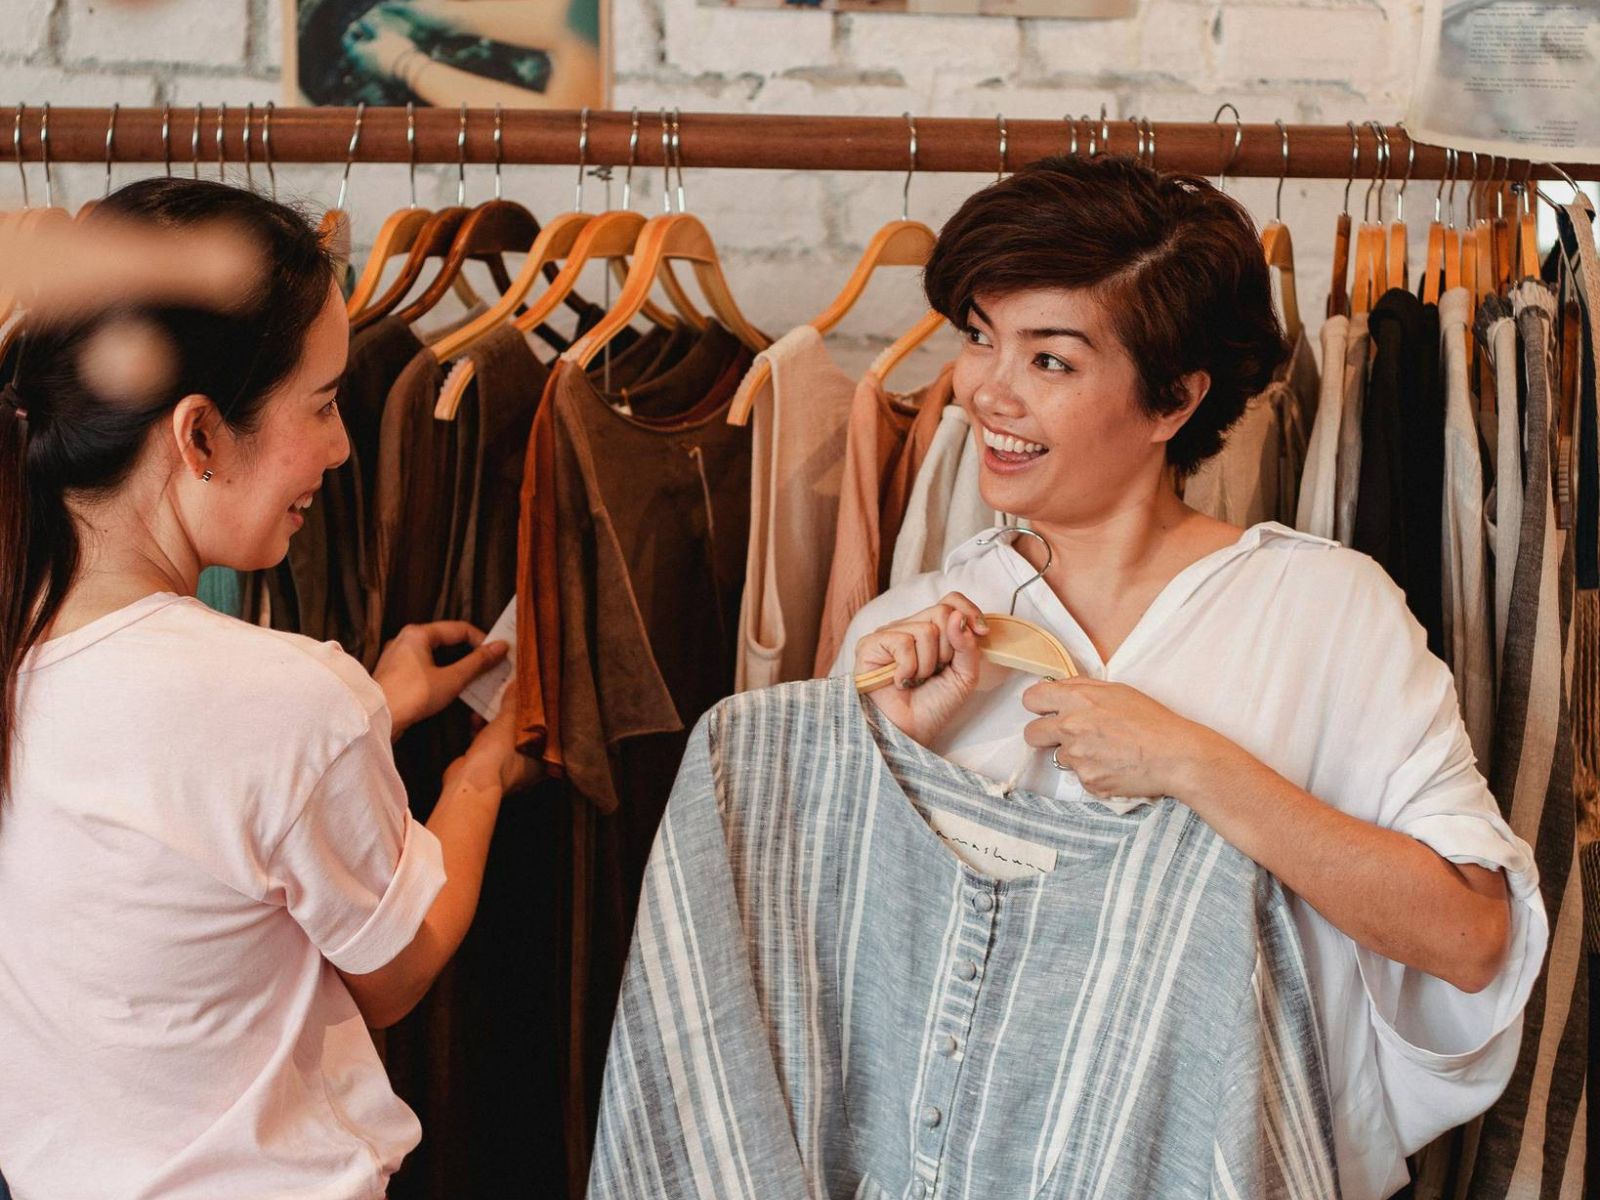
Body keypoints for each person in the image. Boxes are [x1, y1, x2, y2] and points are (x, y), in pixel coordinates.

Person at [836, 155, 1546, 1200]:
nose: (984, 388)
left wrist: (1193, 763)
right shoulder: (906, 632)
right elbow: (833, 984)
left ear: (1171, 400)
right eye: (982, 338)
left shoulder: (1325, 612)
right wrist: (903, 755)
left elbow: (1470, 939)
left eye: (1051, 361)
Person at [0, 177, 537, 1198]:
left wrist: (373, 706)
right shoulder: (283, 699)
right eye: (325, 403)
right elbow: (398, 971)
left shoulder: (23, 648)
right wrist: (482, 769)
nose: (341, 446)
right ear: (199, 434)